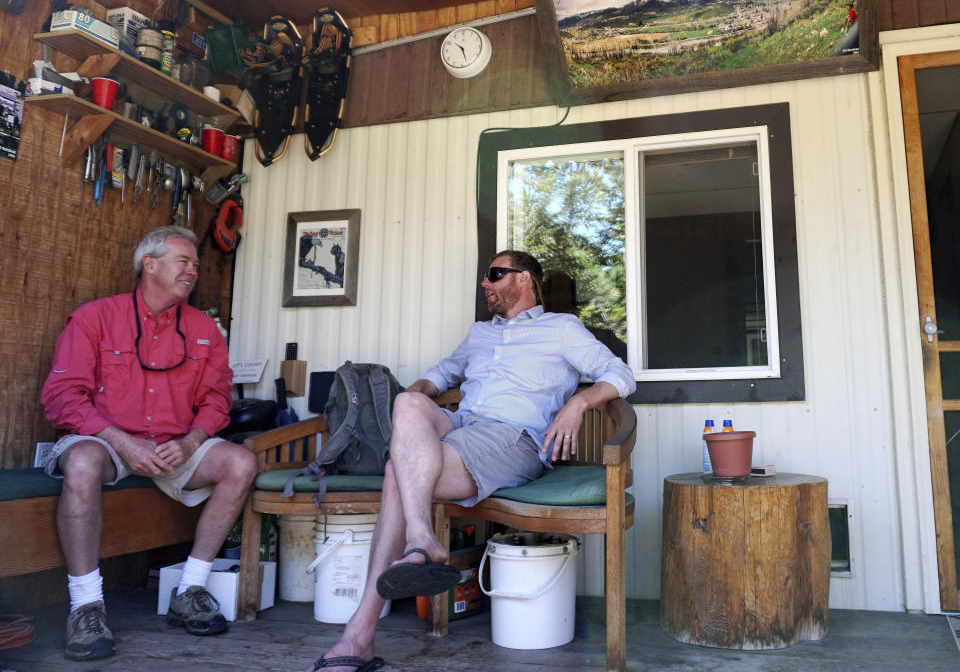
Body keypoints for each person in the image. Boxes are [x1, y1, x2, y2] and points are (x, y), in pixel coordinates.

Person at [309, 250, 635, 672]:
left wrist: (578, 402)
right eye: (486, 276)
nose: (485, 283)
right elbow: (442, 375)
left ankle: (359, 635)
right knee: (408, 402)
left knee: (396, 472)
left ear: (524, 281)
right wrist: (412, 399)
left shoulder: (562, 329)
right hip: (462, 427)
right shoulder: (480, 333)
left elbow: (621, 374)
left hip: (511, 439)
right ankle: (421, 542)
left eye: (495, 274)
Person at [40, 226, 257, 662]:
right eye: (184, 261)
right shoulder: (95, 317)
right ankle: (86, 607)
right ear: (149, 265)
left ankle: (190, 589)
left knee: (241, 463)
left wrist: (193, 439)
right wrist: (123, 442)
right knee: (80, 462)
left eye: (196, 263)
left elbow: (217, 400)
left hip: (176, 445)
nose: (193, 270)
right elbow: (62, 397)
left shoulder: (204, 330)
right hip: (106, 441)